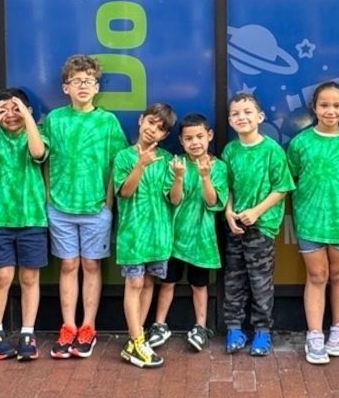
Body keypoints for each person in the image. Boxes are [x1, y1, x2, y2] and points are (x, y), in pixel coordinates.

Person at [41, 55, 127, 359]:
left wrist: (108, 202)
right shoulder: (54, 120)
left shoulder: (107, 121)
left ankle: (88, 327)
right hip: (61, 206)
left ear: (97, 86)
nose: (82, 85)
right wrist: (49, 195)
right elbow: (44, 159)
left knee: (91, 265)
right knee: (68, 265)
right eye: (76, 81)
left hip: (95, 208)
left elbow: (117, 164)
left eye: (88, 80)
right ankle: (68, 325)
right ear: (66, 87)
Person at [287, 82, 339, 364]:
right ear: (314, 108)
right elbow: (291, 178)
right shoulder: (300, 143)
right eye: (324, 105)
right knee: (317, 276)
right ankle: (315, 333)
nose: (330, 111)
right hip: (309, 220)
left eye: (336, 105)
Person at [147, 113, 228, 352]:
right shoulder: (175, 163)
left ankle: (200, 326)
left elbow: (214, 202)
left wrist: (205, 176)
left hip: (201, 239)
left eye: (200, 137)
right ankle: (159, 324)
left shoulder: (219, 167)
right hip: (174, 237)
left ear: (210, 136)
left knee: (199, 284)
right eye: (189, 138)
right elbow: (174, 199)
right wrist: (179, 177)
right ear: (181, 142)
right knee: (168, 282)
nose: (195, 142)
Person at [0, 88, 48, 361]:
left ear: (29, 112)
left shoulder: (38, 135)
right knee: (3, 276)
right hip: (0, 218)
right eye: (4, 109)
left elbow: (38, 152)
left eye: (16, 108)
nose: (11, 115)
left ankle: (27, 331)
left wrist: (27, 117)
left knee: (29, 277)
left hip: (32, 218)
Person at [223, 91, 294, 357]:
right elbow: (226, 186)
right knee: (233, 279)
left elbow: (282, 187)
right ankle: (233, 328)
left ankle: (262, 331)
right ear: (230, 120)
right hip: (235, 226)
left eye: (247, 112)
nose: (242, 117)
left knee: (260, 281)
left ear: (260, 117)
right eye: (236, 113)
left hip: (261, 227)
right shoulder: (230, 150)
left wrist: (256, 211)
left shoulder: (272, 150)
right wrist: (229, 212)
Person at [114, 103, 177, 368]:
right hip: (132, 236)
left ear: (165, 135)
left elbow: (174, 199)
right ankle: (138, 340)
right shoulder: (123, 157)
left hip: (158, 235)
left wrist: (180, 178)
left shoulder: (166, 159)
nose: (153, 130)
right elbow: (125, 192)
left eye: (160, 128)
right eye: (150, 122)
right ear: (140, 121)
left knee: (149, 282)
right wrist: (140, 164)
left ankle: (135, 340)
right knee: (135, 284)